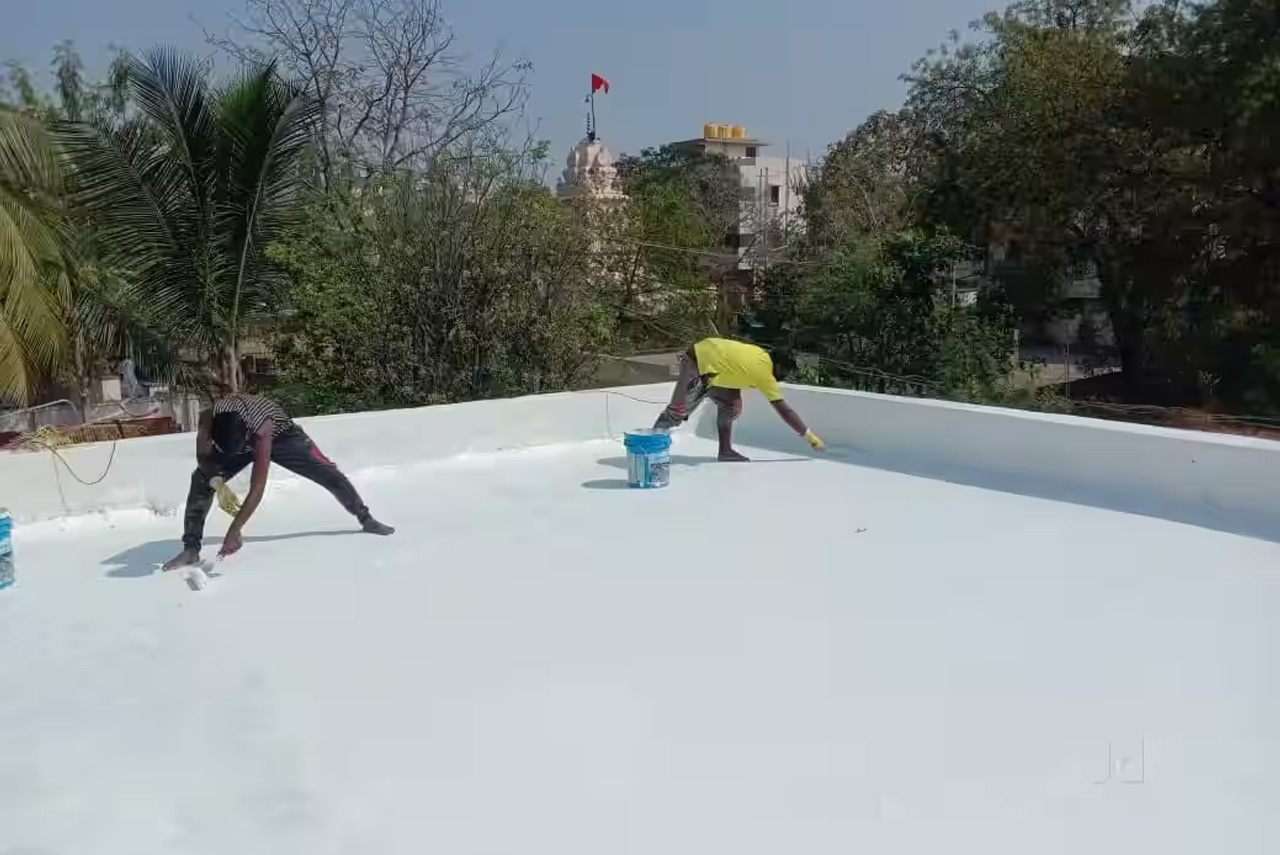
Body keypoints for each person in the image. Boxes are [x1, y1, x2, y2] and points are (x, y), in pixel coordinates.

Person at [163, 392, 394, 570]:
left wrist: (235, 529)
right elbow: (203, 457)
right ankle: (191, 549)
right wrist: (217, 483)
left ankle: (366, 519)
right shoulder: (208, 416)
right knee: (200, 480)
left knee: (328, 472)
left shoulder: (262, 429)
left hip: (283, 437)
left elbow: (258, 486)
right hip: (241, 437)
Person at [654, 337, 825, 461]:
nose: (784, 377)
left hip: (710, 362)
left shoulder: (760, 354)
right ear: (779, 366)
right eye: (785, 372)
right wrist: (809, 436)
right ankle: (650, 448)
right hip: (697, 363)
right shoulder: (765, 375)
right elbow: (785, 412)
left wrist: (734, 396)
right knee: (676, 412)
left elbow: (735, 368)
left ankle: (725, 451)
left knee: (730, 405)